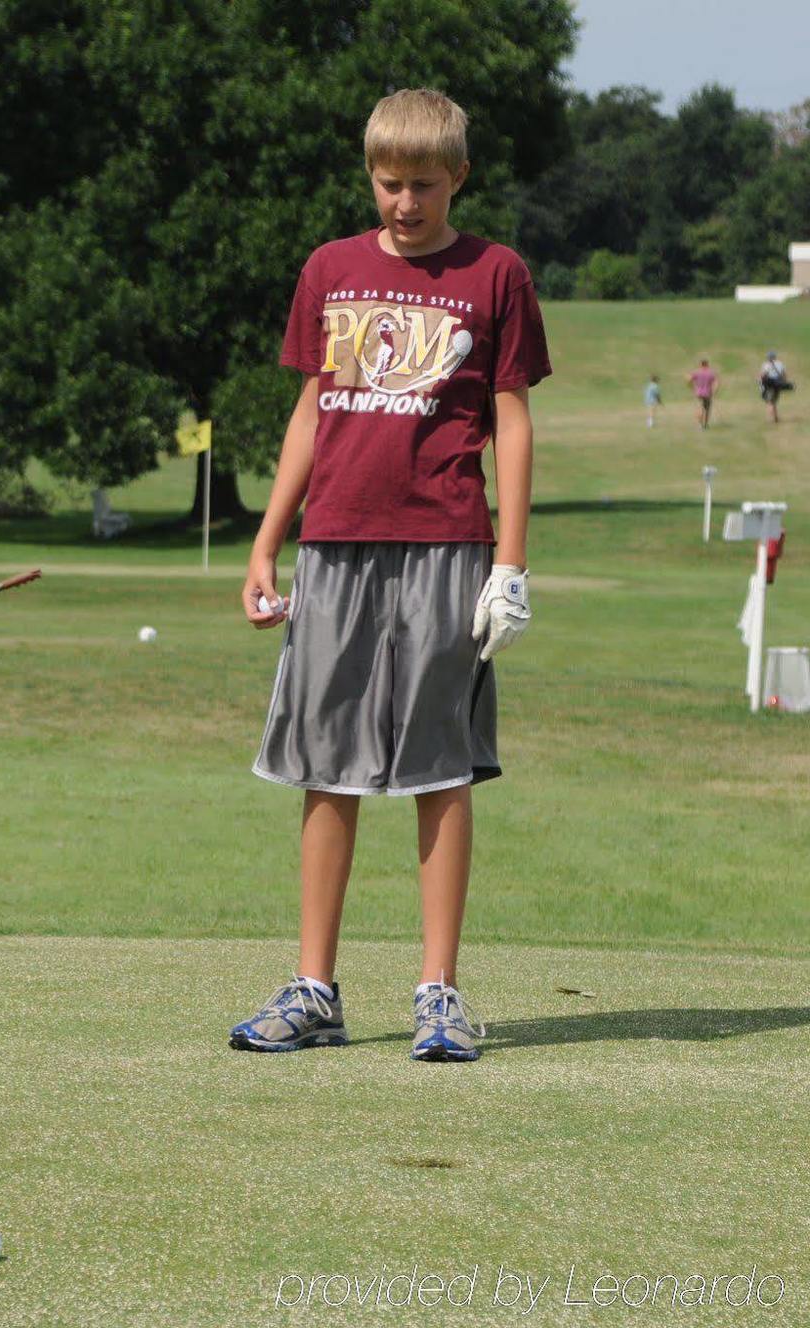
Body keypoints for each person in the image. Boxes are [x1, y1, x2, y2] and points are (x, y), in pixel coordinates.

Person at [235, 89, 549, 1064]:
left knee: (438, 770)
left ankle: (437, 992)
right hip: (334, 542)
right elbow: (308, 410)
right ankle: (313, 987)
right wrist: (265, 537)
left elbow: (509, 420)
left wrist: (507, 563)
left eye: (420, 184)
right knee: (323, 767)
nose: (402, 202)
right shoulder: (328, 268)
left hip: (446, 546)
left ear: (456, 177)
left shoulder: (494, 273)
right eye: (385, 183)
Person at [758, 351, 791, 424]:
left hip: (769, 385)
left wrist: (759, 380)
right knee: (774, 402)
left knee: (769, 402)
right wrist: (783, 383)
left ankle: (772, 420)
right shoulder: (780, 364)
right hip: (778, 385)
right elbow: (784, 375)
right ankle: (776, 418)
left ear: (768, 357)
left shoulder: (766, 364)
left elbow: (763, 375)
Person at [688, 357, 718, 429]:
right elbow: (716, 383)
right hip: (708, 393)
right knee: (707, 409)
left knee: (700, 408)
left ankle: (700, 425)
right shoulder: (711, 372)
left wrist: (692, 387)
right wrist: (714, 391)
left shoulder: (697, 372)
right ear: (707, 364)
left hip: (699, 393)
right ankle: (706, 424)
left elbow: (689, 379)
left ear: (701, 364)